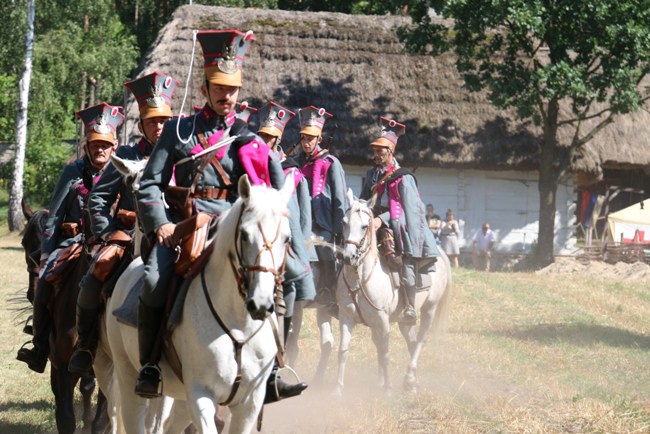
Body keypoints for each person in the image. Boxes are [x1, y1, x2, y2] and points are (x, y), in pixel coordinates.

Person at [135, 29, 306, 402]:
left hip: (237, 225)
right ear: (205, 89)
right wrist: (160, 224)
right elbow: (148, 184)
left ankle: (274, 369)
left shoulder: (249, 138)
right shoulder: (180, 132)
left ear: (238, 92)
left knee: (287, 278)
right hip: (188, 225)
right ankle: (150, 365)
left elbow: (277, 192)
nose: (225, 95)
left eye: (231, 89)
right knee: (151, 281)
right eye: (218, 87)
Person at [68, 72, 178, 375]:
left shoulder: (181, 154)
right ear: (141, 124)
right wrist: (107, 234)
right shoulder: (126, 156)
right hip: (129, 235)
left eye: (164, 121)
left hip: (176, 233)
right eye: (152, 121)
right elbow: (98, 200)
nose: (159, 127)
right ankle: (87, 344)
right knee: (94, 277)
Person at [16, 102, 122, 373]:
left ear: (115, 145)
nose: (100, 149)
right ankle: (40, 347)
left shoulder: (122, 172)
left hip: (115, 242)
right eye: (95, 144)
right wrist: (45, 256)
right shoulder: (73, 172)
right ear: (87, 145)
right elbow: (55, 216)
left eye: (105, 144)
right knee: (44, 283)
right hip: (73, 244)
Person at [359, 117, 441, 325]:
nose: (376, 154)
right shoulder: (371, 174)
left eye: (380, 150)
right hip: (371, 221)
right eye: (375, 150)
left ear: (390, 151)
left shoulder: (403, 177)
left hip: (395, 225)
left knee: (397, 256)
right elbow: (363, 198)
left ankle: (409, 305)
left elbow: (410, 209)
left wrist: (382, 219)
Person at [257, 101, 316, 340]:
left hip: (285, 238)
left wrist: (299, 247)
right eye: (262, 135)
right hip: (256, 235)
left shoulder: (291, 171)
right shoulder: (251, 163)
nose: (265, 141)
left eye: (270, 136)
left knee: (292, 281)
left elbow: (302, 214)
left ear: (278, 139)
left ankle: (286, 337)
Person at [295, 105, 348, 310]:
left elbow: (339, 199)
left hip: (323, 224)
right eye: (303, 138)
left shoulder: (331, 163)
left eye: (310, 138)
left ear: (319, 139)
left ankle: (329, 290)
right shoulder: (296, 163)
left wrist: (338, 230)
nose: (306, 142)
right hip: (300, 221)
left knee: (325, 252)